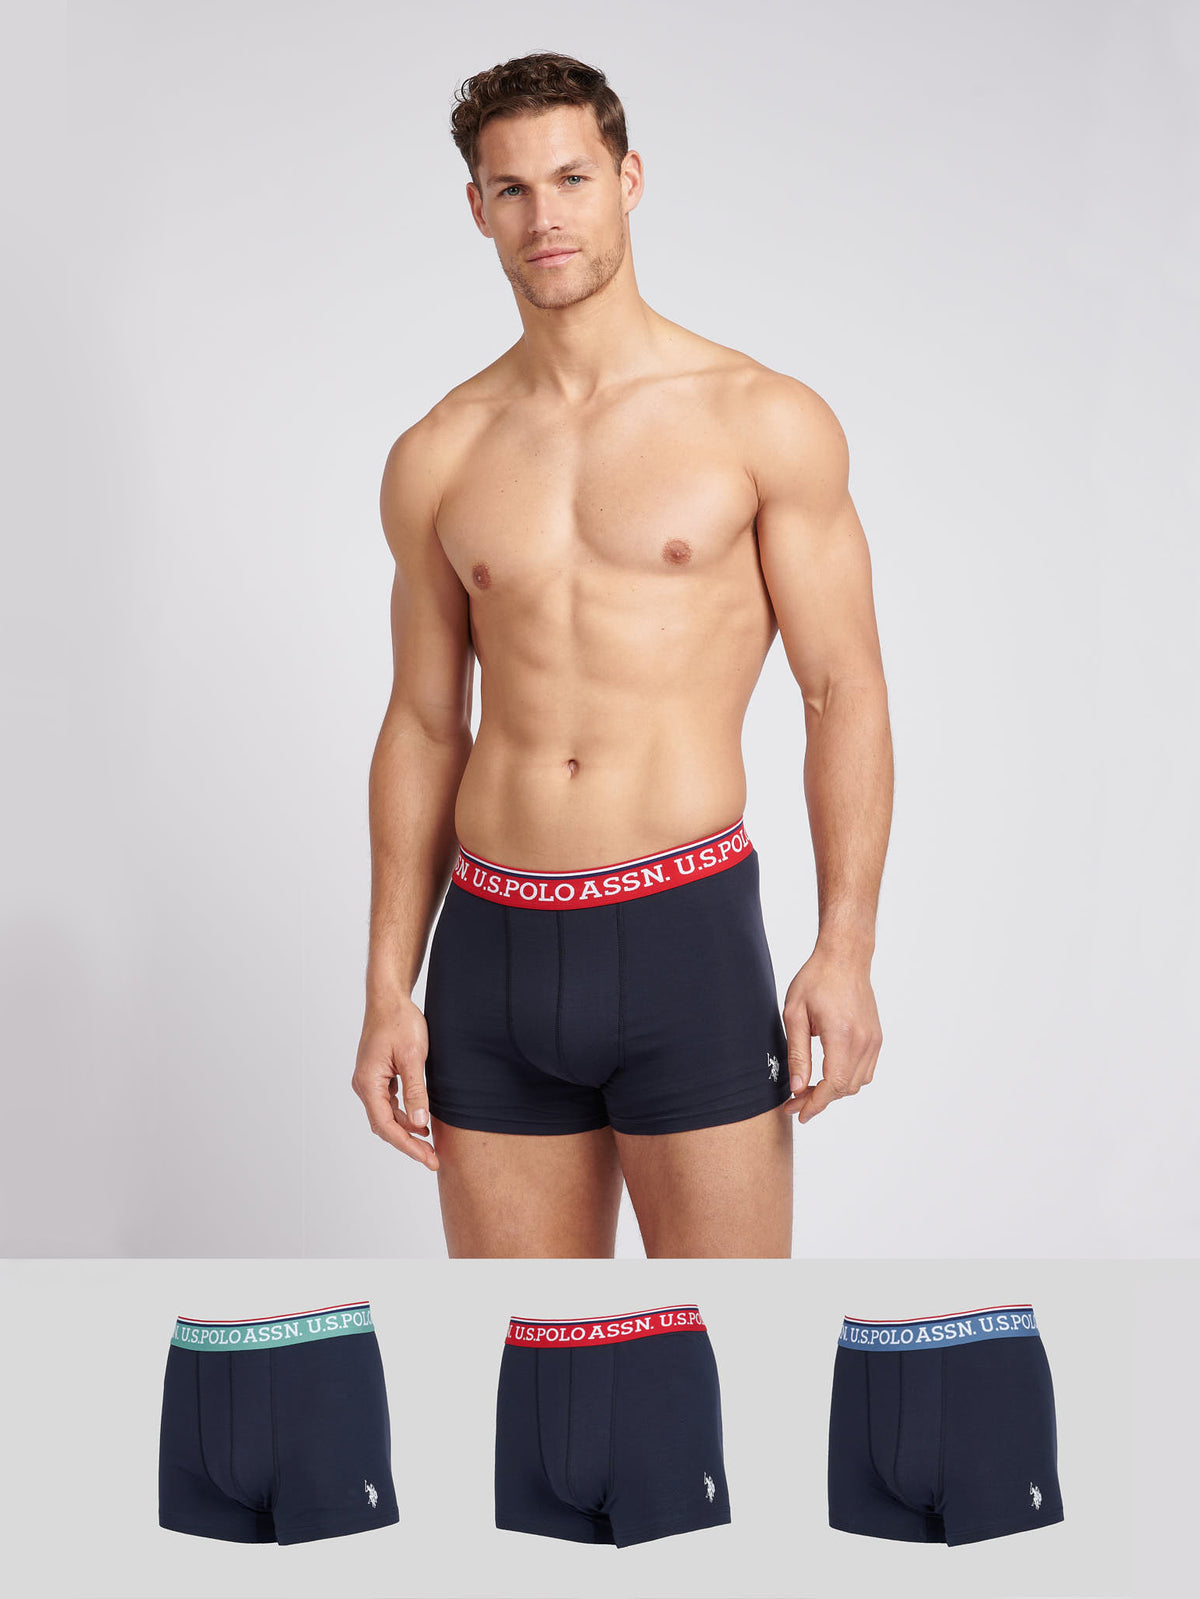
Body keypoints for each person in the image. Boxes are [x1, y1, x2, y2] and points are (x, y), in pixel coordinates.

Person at [352, 52, 892, 1258]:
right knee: (518, 1339)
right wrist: (389, 984)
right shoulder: (439, 452)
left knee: (731, 1338)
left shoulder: (758, 418)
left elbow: (841, 688)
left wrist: (845, 946)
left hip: (684, 936)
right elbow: (425, 723)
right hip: (489, 951)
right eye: (511, 189)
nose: (544, 216)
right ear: (477, 208)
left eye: (572, 178)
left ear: (629, 179)